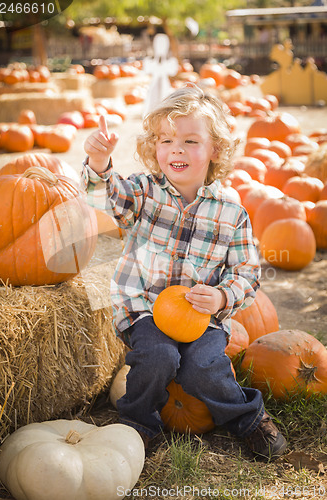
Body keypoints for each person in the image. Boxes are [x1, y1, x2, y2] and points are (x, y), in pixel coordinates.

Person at [81, 85, 287, 460]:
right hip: (144, 308)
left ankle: (247, 418)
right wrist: (99, 164)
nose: (176, 148)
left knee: (205, 368)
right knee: (158, 358)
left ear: (215, 150)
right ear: (154, 147)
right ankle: (139, 424)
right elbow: (103, 201)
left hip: (199, 316)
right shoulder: (144, 192)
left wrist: (223, 296)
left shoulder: (231, 211)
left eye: (190, 140)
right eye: (166, 139)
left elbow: (247, 271)